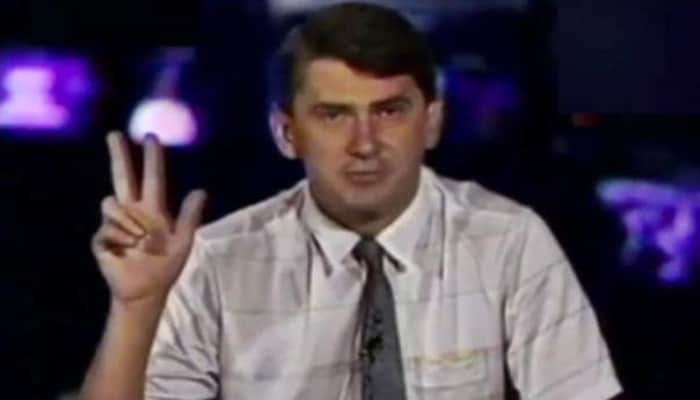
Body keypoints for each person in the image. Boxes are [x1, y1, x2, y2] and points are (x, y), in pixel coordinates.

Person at [80, 2, 622, 399]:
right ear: (287, 132)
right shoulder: (220, 259)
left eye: (389, 112)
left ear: (431, 122)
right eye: (333, 115)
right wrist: (137, 307)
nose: (365, 144)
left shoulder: (510, 241)